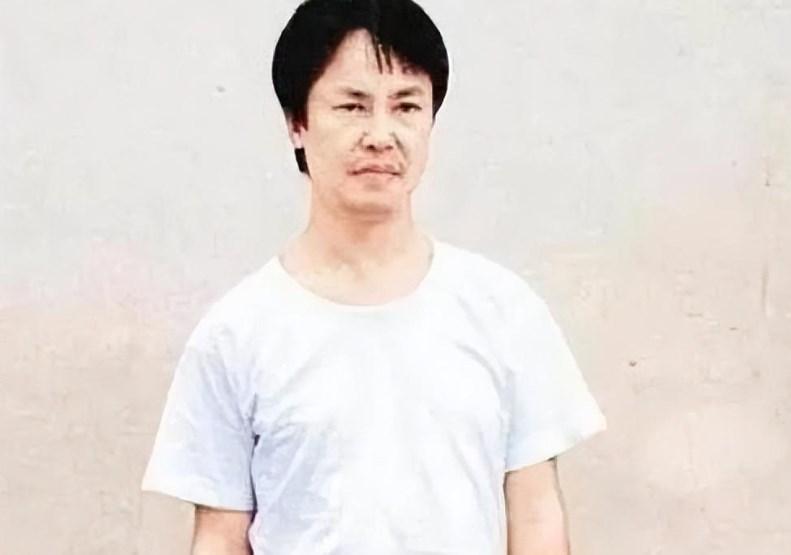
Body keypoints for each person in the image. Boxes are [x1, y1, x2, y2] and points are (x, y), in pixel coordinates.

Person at [140, 0, 608, 553]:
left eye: (406, 106)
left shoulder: (503, 310)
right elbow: (220, 538)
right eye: (353, 106)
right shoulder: (236, 334)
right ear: (297, 123)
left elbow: (535, 515)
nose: (381, 135)